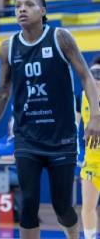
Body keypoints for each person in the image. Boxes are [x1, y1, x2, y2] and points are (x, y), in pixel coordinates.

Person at [0, 0, 100, 239]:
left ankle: (73, 236)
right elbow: (1, 93)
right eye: (17, 6)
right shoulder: (8, 48)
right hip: (27, 139)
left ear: (43, 11)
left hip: (62, 139)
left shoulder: (60, 38)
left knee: (62, 208)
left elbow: (86, 77)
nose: (21, 9)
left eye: (29, 4)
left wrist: (96, 116)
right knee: (28, 204)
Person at [80, 64, 100, 239]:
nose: (97, 78)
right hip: (92, 161)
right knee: (87, 207)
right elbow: (71, 126)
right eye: (93, 74)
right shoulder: (83, 97)